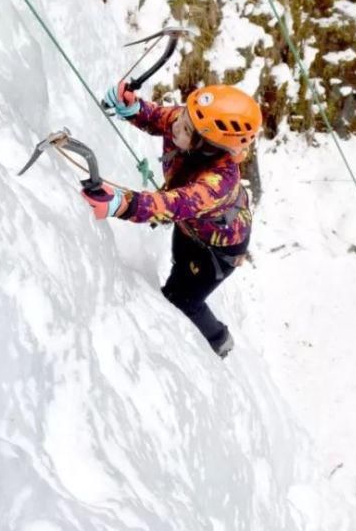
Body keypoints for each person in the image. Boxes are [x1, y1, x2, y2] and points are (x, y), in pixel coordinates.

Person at [80, 81, 261, 358]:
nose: (178, 124)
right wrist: (132, 108)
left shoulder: (218, 182)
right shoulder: (192, 124)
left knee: (182, 298)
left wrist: (122, 204)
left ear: (209, 146)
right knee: (180, 269)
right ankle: (184, 281)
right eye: (184, 115)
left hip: (219, 250)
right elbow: (158, 117)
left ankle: (219, 340)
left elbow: (174, 204)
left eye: (187, 127)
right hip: (192, 228)